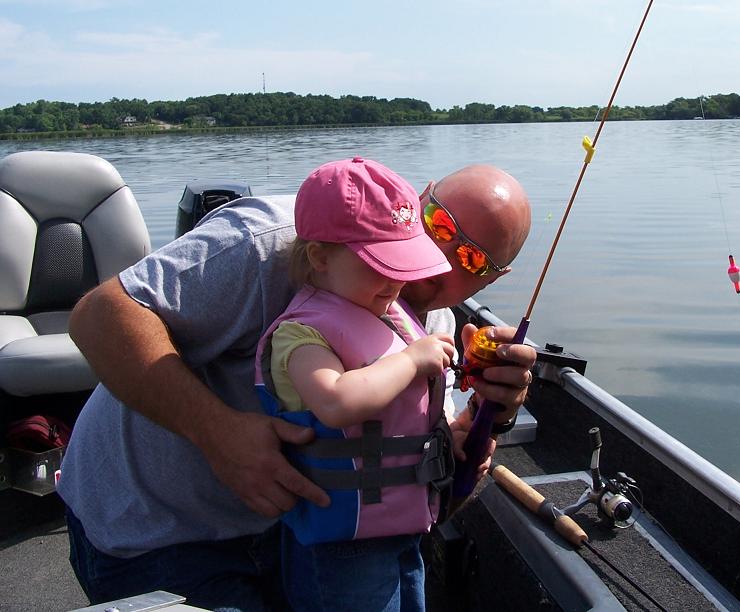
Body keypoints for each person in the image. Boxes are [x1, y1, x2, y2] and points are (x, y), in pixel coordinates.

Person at [60, 162, 534, 611]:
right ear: (422, 197)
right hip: (153, 531)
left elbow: (413, 495)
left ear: (493, 279)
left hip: (303, 536)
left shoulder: (432, 332)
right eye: (441, 225)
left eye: (471, 259)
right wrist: (217, 433)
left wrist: (481, 424)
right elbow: (96, 318)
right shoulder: (270, 244)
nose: (439, 263)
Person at [258, 157, 460, 611]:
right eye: (380, 266)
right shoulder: (301, 334)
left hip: (398, 525)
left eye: (402, 265)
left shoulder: (383, 312)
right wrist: (411, 360)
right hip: (342, 545)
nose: (395, 282)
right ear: (320, 258)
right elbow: (334, 402)